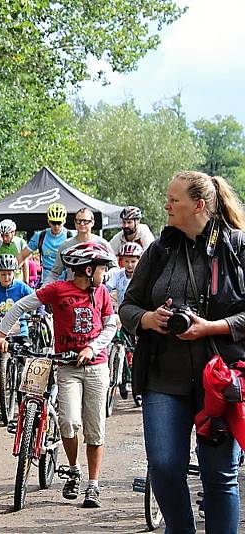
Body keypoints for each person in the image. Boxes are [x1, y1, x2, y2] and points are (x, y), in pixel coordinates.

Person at [119, 171, 245, 533]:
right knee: (162, 465)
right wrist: (147, 319)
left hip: (220, 383)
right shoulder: (159, 250)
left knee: (219, 475)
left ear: (199, 205)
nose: (166, 205)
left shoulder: (237, 246)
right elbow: (128, 305)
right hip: (163, 378)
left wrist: (212, 327)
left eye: (174, 199)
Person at [0, 242, 117, 508]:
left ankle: (93, 485)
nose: (104, 273)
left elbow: (110, 327)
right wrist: (2, 333)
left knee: (95, 430)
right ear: (88, 269)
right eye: (101, 269)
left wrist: (92, 347)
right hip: (67, 367)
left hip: (96, 366)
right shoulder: (58, 290)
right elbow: (20, 306)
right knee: (68, 423)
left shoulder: (103, 293)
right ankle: (74, 470)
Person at [43, 207, 115, 285]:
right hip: (73, 291)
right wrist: (43, 288)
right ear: (74, 223)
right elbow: (55, 273)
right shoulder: (66, 245)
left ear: (92, 223)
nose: (82, 224)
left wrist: (105, 276)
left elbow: (115, 268)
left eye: (85, 221)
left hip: (97, 290)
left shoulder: (102, 244)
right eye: (78, 221)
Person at [0, 255, 33, 339]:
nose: (6, 278)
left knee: (25, 348)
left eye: (9, 274)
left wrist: (39, 313)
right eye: (3, 274)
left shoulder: (21, 286)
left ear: (14, 273)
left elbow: (38, 298)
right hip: (0, 329)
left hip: (20, 331)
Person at [21, 202, 75, 285]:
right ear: (49, 222)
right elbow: (22, 256)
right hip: (46, 280)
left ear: (64, 221)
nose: (56, 226)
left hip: (65, 280)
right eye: (53, 223)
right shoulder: (40, 236)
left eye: (59, 223)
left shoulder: (70, 236)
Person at [0, 219, 30, 284]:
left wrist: (26, 281)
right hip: (2, 279)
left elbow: (25, 263)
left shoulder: (20, 242)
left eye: (7, 235)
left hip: (17, 278)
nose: (4, 238)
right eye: (2, 235)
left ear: (13, 233)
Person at [105, 242, 142, 310]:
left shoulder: (143, 276)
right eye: (126, 261)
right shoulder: (117, 274)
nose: (129, 265)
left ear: (139, 261)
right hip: (121, 312)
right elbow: (106, 289)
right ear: (121, 261)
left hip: (138, 312)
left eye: (133, 261)